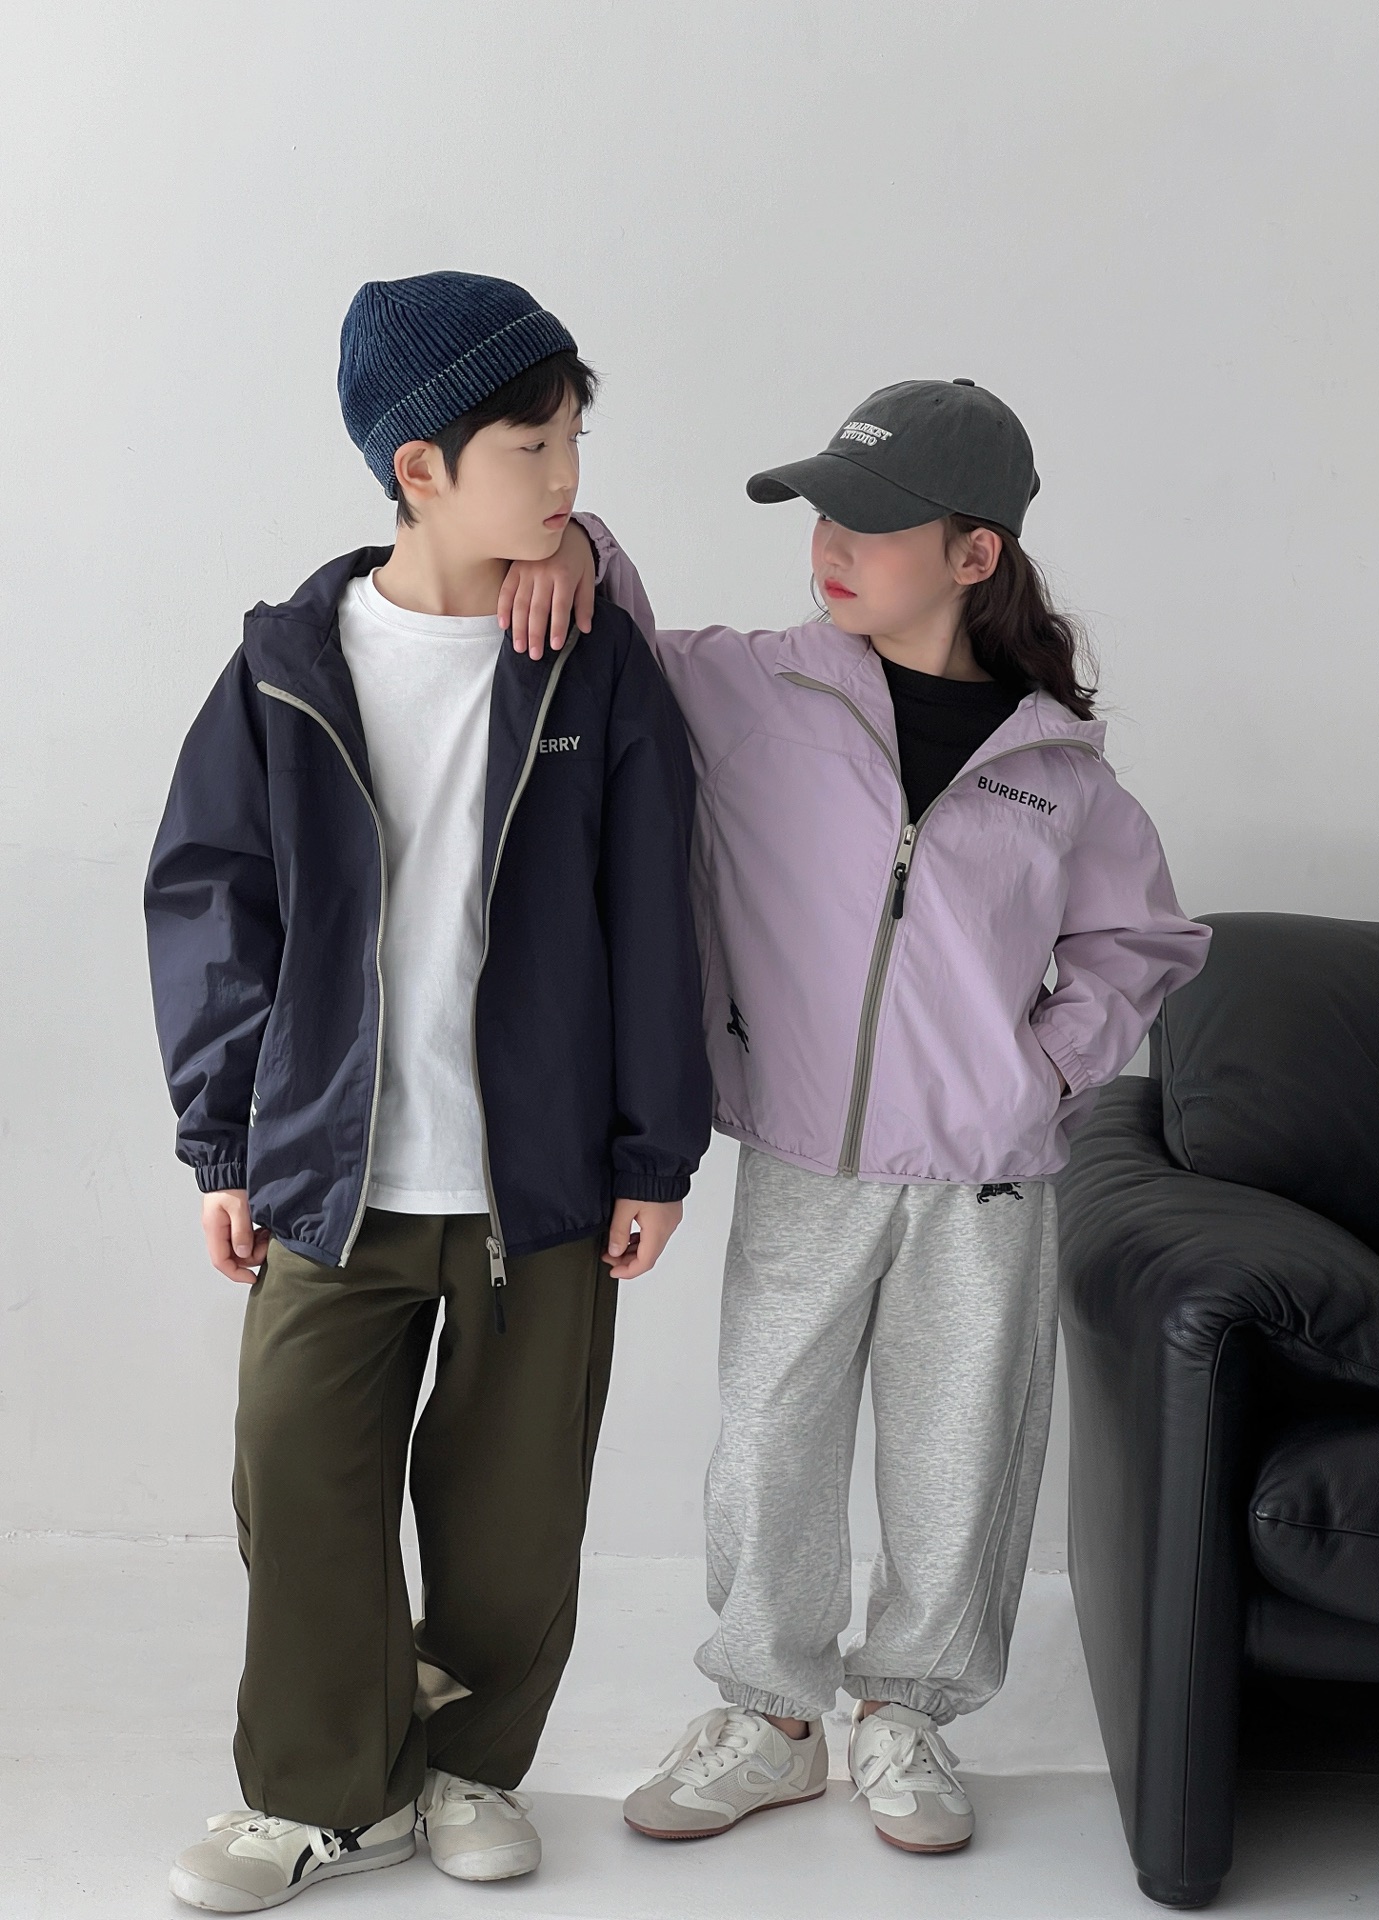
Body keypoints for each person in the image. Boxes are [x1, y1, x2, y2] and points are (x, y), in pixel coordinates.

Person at [498, 377, 1211, 1856]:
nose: (830, 544)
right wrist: (574, 542)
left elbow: (1142, 939)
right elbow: (618, 631)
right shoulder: (756, 689)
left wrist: (1047, 1072)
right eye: (821, 513)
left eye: (872, 523)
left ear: (974, 553)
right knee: (769, 1443)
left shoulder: (1056, 771)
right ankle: (769, 1720)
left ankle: (907, 1714)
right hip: (805, 1154)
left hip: (985, 1180)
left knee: (959, 1458)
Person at [144, 271, 710, 1909]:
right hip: (337, 1173)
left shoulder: (595, 668)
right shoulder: (286, 664)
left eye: (576, 442)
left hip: (539, 1178)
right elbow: (212, 905)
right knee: (296, 1479)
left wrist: (654, 1151)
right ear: (419, 468)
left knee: (514, 1520)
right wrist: (222, 1142)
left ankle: (467, 1770)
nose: (566, 479)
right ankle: (322, 1790)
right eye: (533, 449)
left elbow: (653, 914)